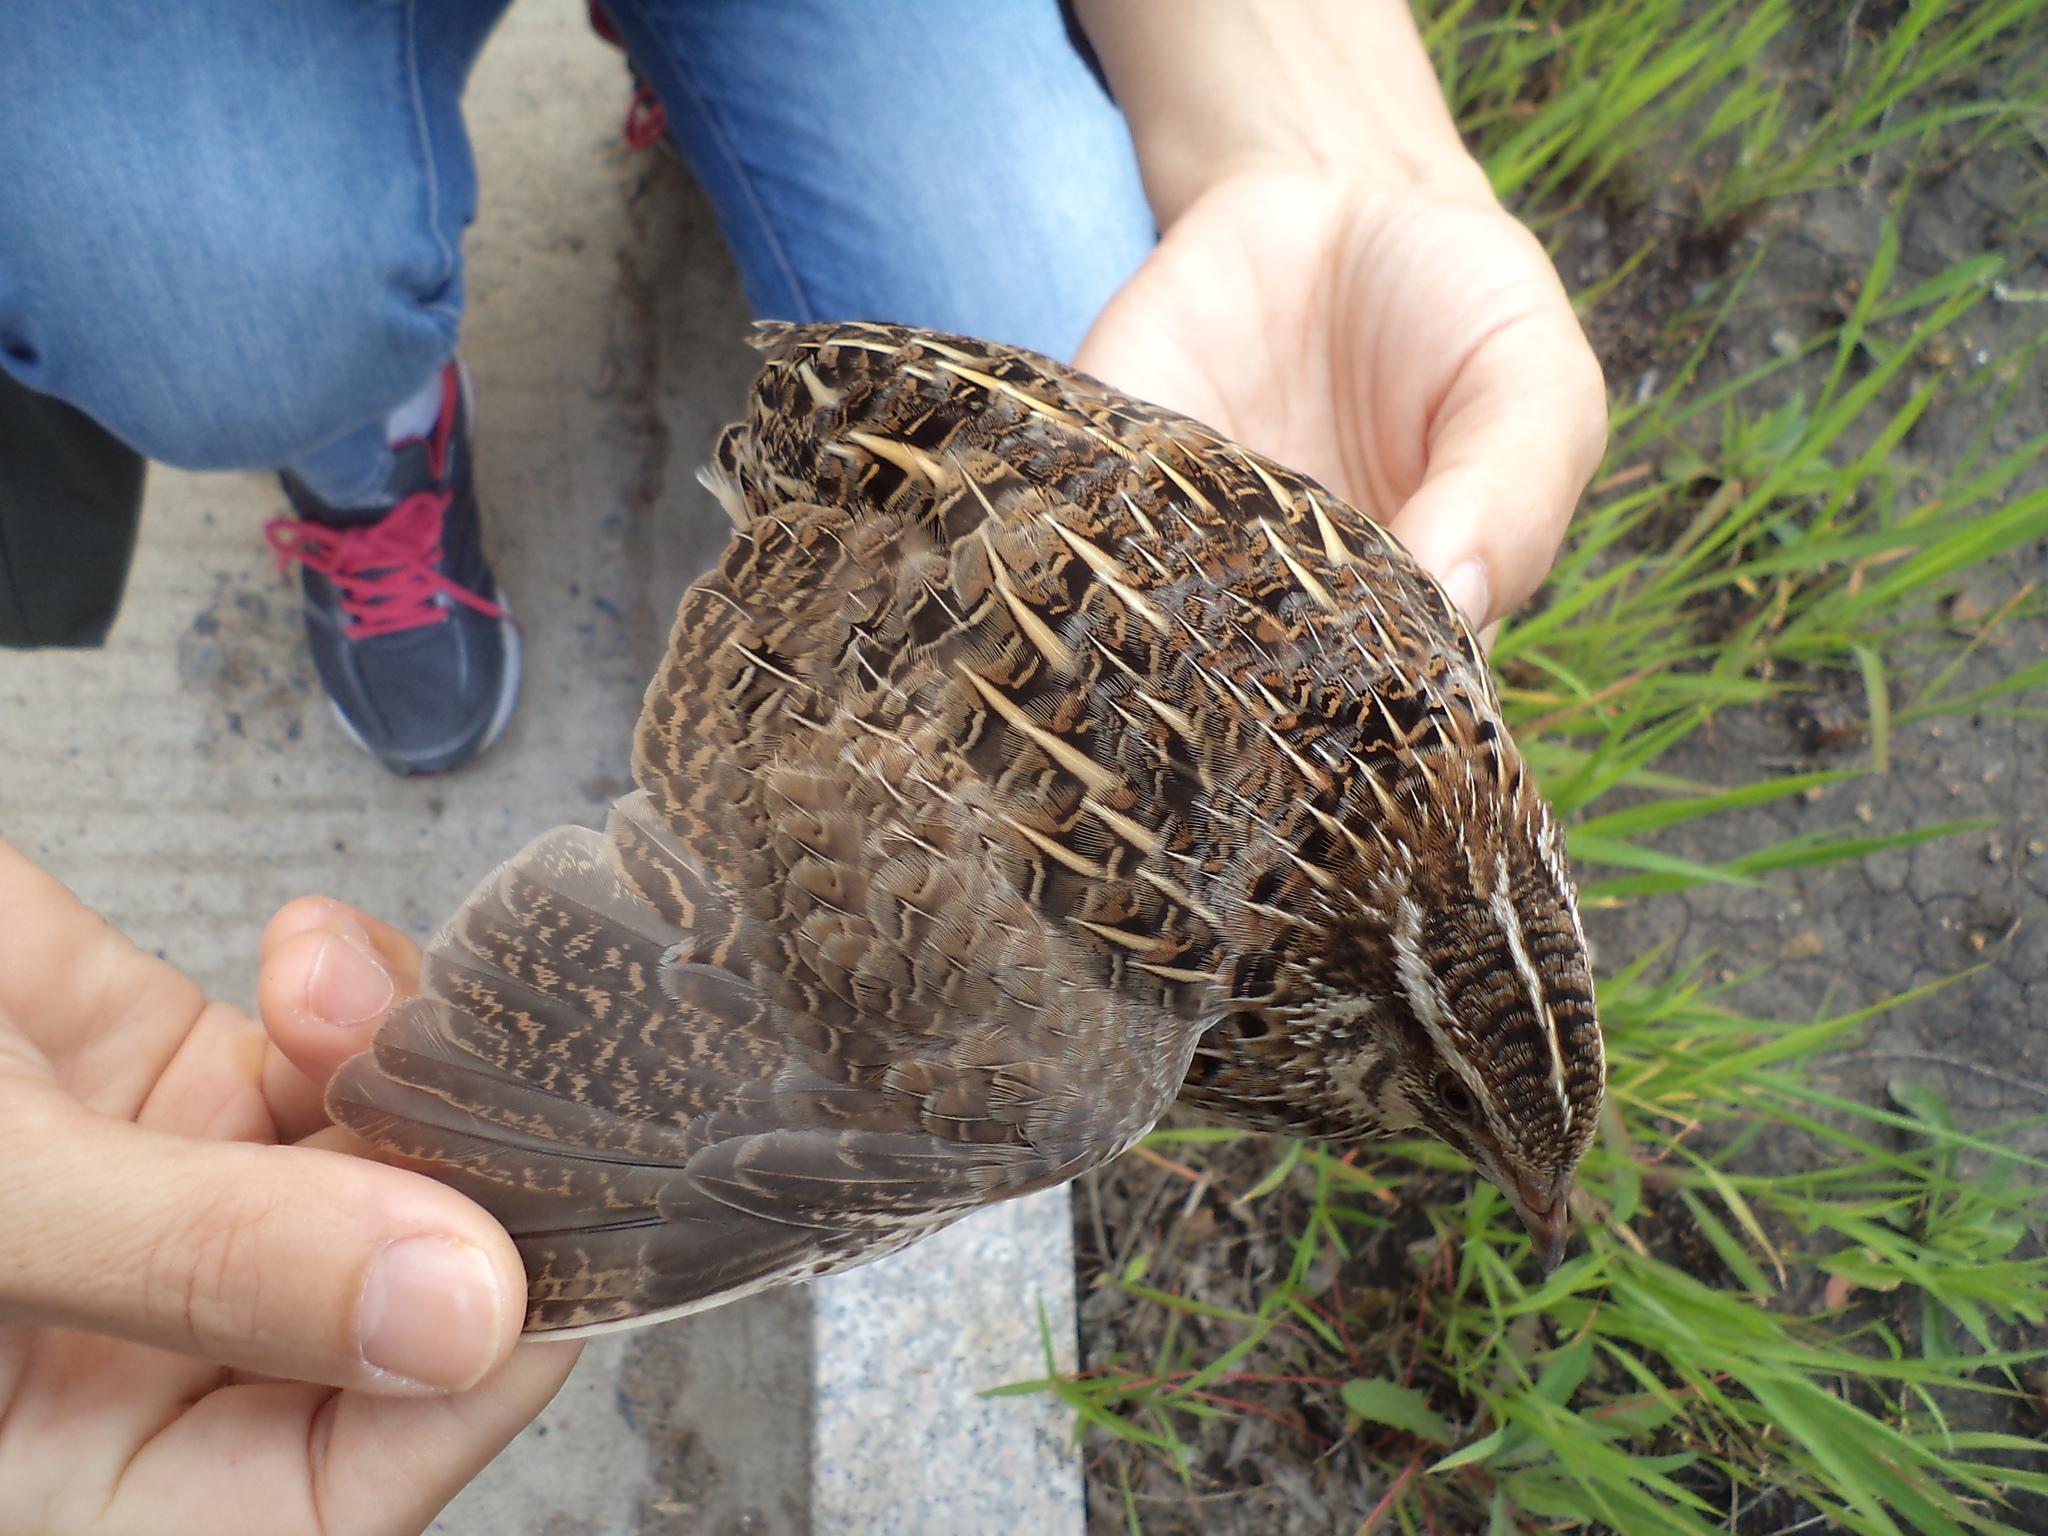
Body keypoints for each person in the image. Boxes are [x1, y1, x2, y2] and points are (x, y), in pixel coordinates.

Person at [0, 2, 1606, 1530]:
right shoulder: (1085, 1031)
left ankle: (691, 78)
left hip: (977, 497)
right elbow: (746, 1122)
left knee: (1064, 276)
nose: (1473, 1168)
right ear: (1380, 1015)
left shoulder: (1420, 681)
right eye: (1448, 1107)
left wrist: (1338, 155)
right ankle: (370, 420)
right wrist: (542, 1175)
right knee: (224, 310)